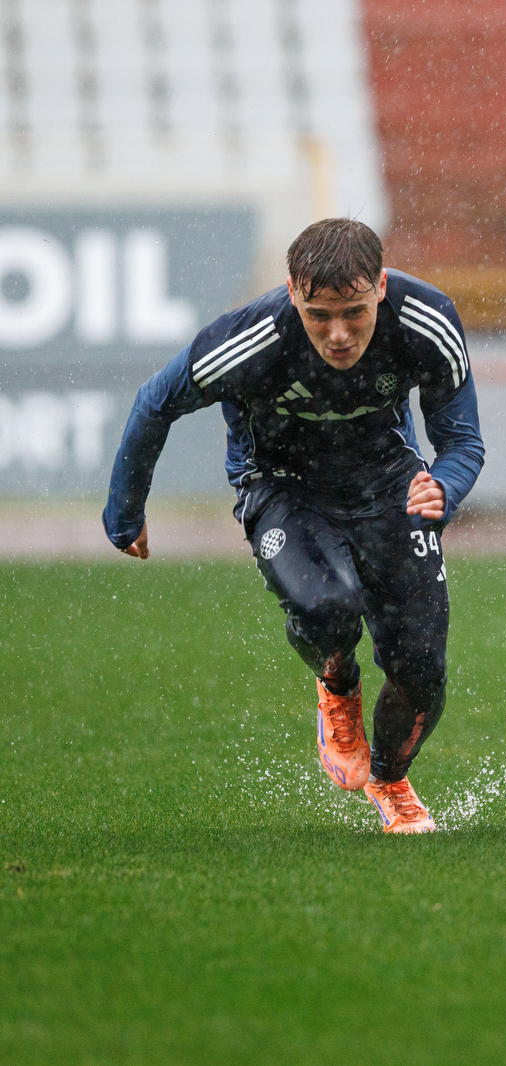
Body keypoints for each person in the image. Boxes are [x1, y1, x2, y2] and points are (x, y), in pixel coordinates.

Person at [103, 218, 485, 833]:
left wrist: (445, 484)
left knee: (421, 669)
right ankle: (338, 683)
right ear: (292, 294)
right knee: (328, 607)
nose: (338, 335)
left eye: (355, 314)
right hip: (282, 488)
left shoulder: (428, 320)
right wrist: (125, 511)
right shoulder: (249, 337)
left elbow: (462, 440)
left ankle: (389, 781)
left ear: (382, 287)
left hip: (389, 485)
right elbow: (156, 401)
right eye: (318, 316)